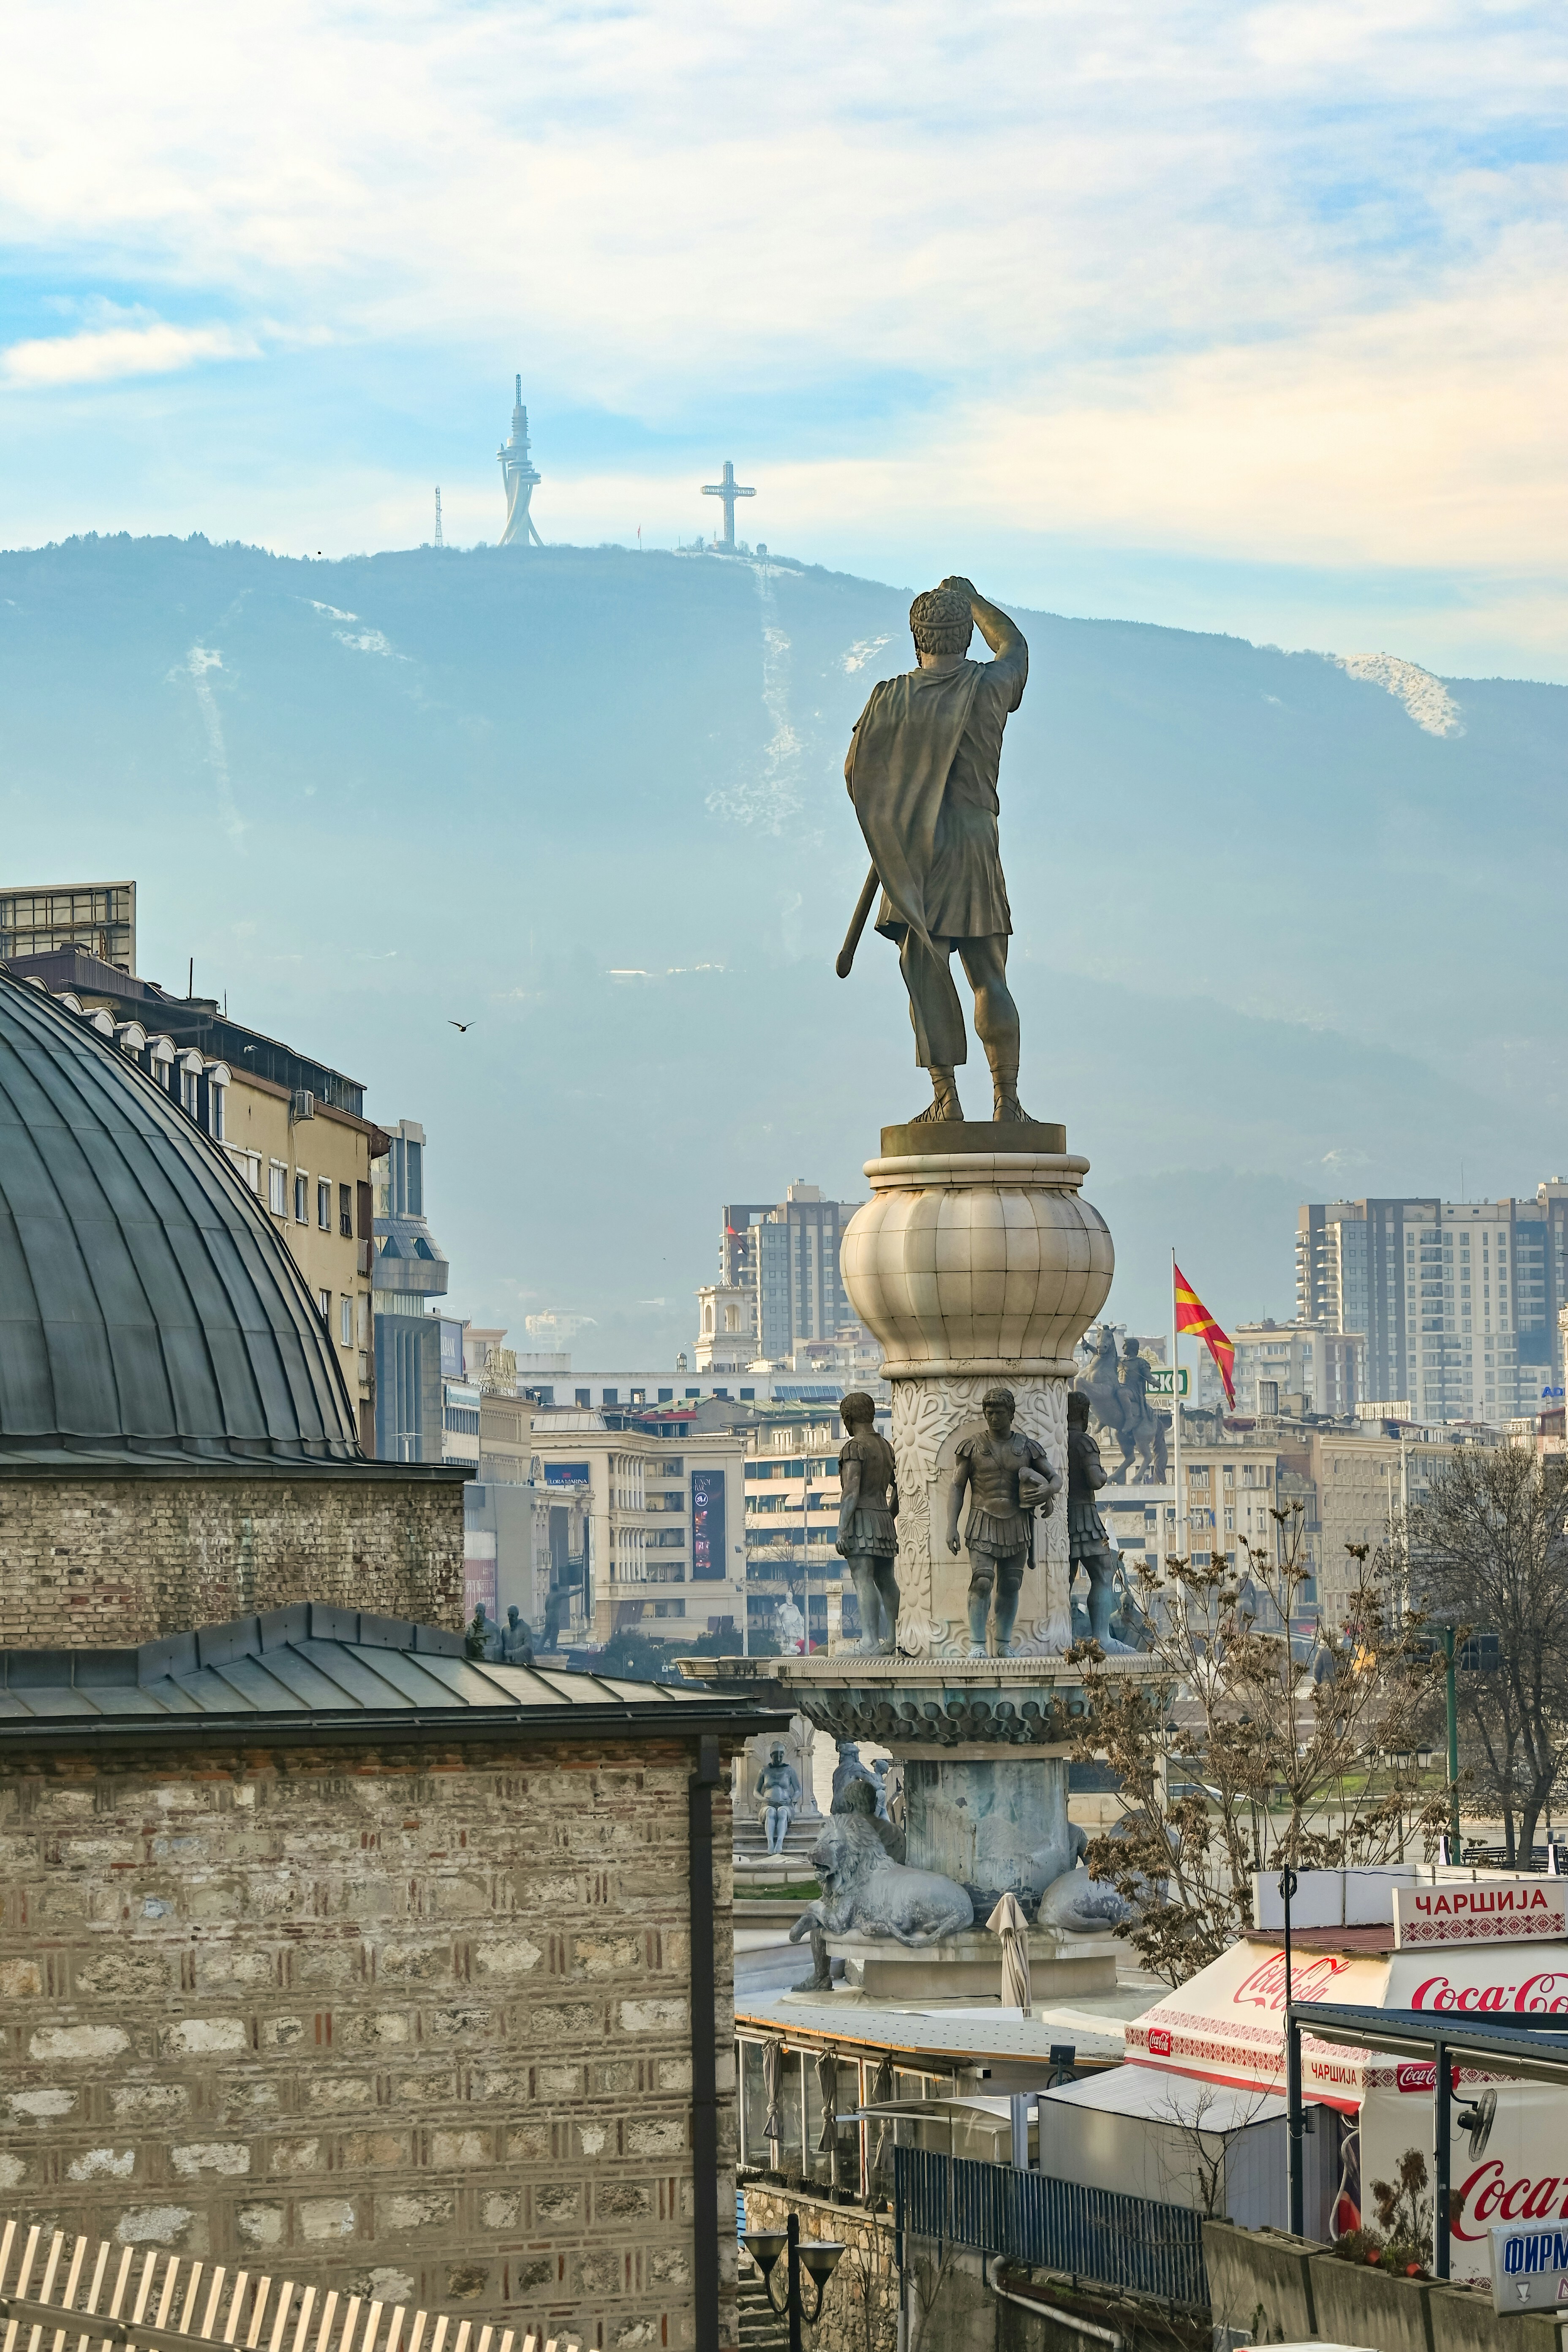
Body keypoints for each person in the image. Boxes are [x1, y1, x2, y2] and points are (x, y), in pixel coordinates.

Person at [843, 577, 1031, 1125]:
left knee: (923, 966)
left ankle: (946, 1099)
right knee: (989, 976)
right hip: (973, 842)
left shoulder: (888, 698)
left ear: (915, 637)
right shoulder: (991, 686)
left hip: (911, 850)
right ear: (967, 635)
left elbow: (857, 775)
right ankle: (1008, 1102)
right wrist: (973, 597)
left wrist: (892, 817)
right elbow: (1016, 645)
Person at [946, 1386, 1061, 1656]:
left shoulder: (1027, 1447)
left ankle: (1003, 1644)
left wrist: (1047, 1491)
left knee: (1011, 1583)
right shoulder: (972, 1446)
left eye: (998, 1412)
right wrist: (951, 1525)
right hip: (982, 1520)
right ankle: (977, 1645)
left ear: (1011, 1413)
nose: (993, 1417)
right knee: (982, 1580)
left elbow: (1055, 1478)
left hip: (1017, 1523)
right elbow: (956, 1487)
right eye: (989, 1412)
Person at [835, 1389, 900, 1653]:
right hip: (883, 1518)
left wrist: (842, 1529)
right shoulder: (886, 1447)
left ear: (848, 1418)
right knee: (887, 1580)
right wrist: (890, 1514)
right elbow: (900, 1488)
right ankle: (893, 1639)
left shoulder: (855, 1447)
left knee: (863, 1578)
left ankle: (870, 1641)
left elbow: (851, 1491)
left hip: (861, 1518)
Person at [1067, 1391, 1121, 1647]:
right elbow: (1095, 1480)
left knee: (1063, 1578)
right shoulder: (1084, 1443)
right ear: (1084, 1414)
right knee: (1102, 1572)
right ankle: (1102, 1637)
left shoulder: (1056, 1440)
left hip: (1058, 1517)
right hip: (1084, 1516)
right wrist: (1104, 1473)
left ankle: (1062, 1635)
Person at [755, 1742, 802, 1857]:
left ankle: (780, 1843)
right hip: (767, 1805)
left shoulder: (789, 1770)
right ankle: (770, 1843)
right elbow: (756, 1791)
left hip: (786, 1804)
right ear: (771, 1756)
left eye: (781, 1755)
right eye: (776, 1755)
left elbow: (798, 1790)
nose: (779, 1757)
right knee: (770, 1812)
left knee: (782, 1812)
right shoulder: (764, 1771)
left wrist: (791, 1800)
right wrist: (763, 1799)